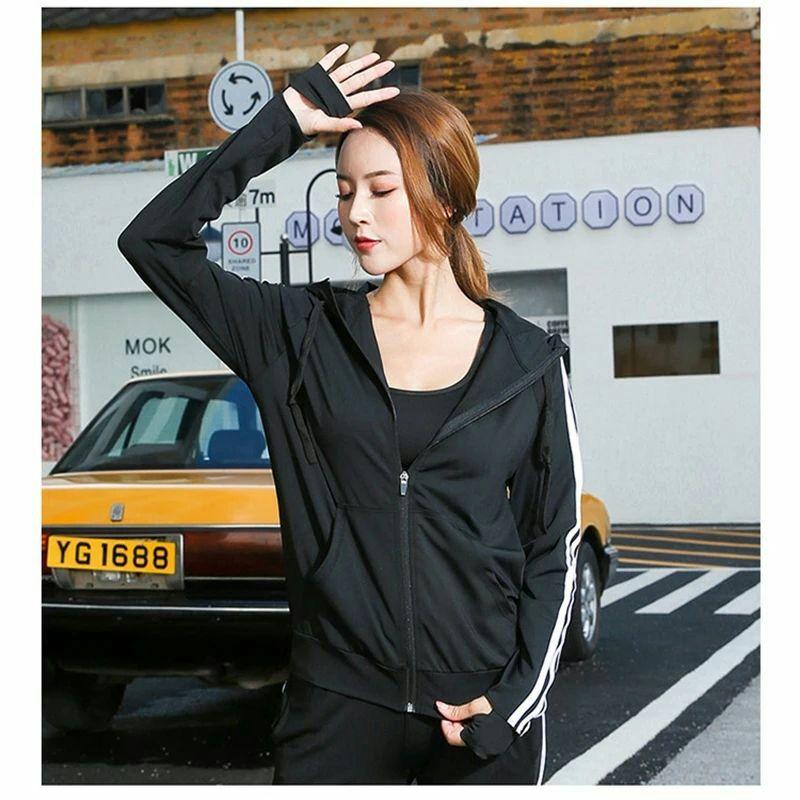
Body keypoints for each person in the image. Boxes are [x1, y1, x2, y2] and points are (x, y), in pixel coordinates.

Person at [117, 42, 583, 785]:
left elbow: (552, 545)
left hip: (479, 708)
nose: (355, 213)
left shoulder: (527, 362)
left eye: (381, 190)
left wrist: (515, 703)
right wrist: (284, 123)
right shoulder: (299, 334)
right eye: (343, 191)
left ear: (446, 198)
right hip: (336, 706)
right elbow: (153, 242)